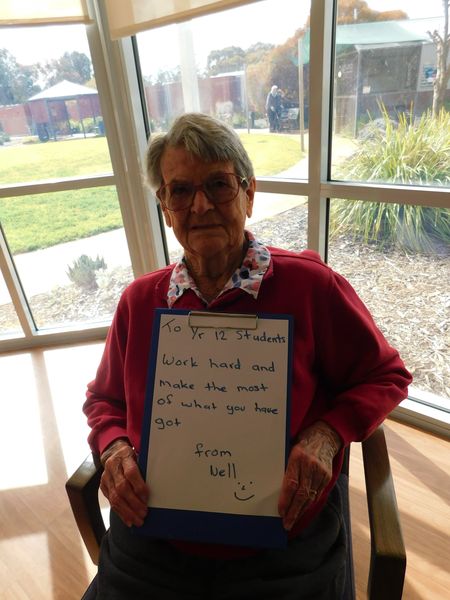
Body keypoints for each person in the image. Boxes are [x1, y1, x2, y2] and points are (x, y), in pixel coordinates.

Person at [83, 112, 412, 599]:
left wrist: (327, 434)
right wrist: (113, 446)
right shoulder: (139, 301)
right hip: (156, 536)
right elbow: (103, 401)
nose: (199, 206)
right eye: (179, 191)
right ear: (164, 206)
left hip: (281, 537)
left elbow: (385, 375)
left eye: (218, 184)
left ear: (249, 193)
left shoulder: (311, 287)